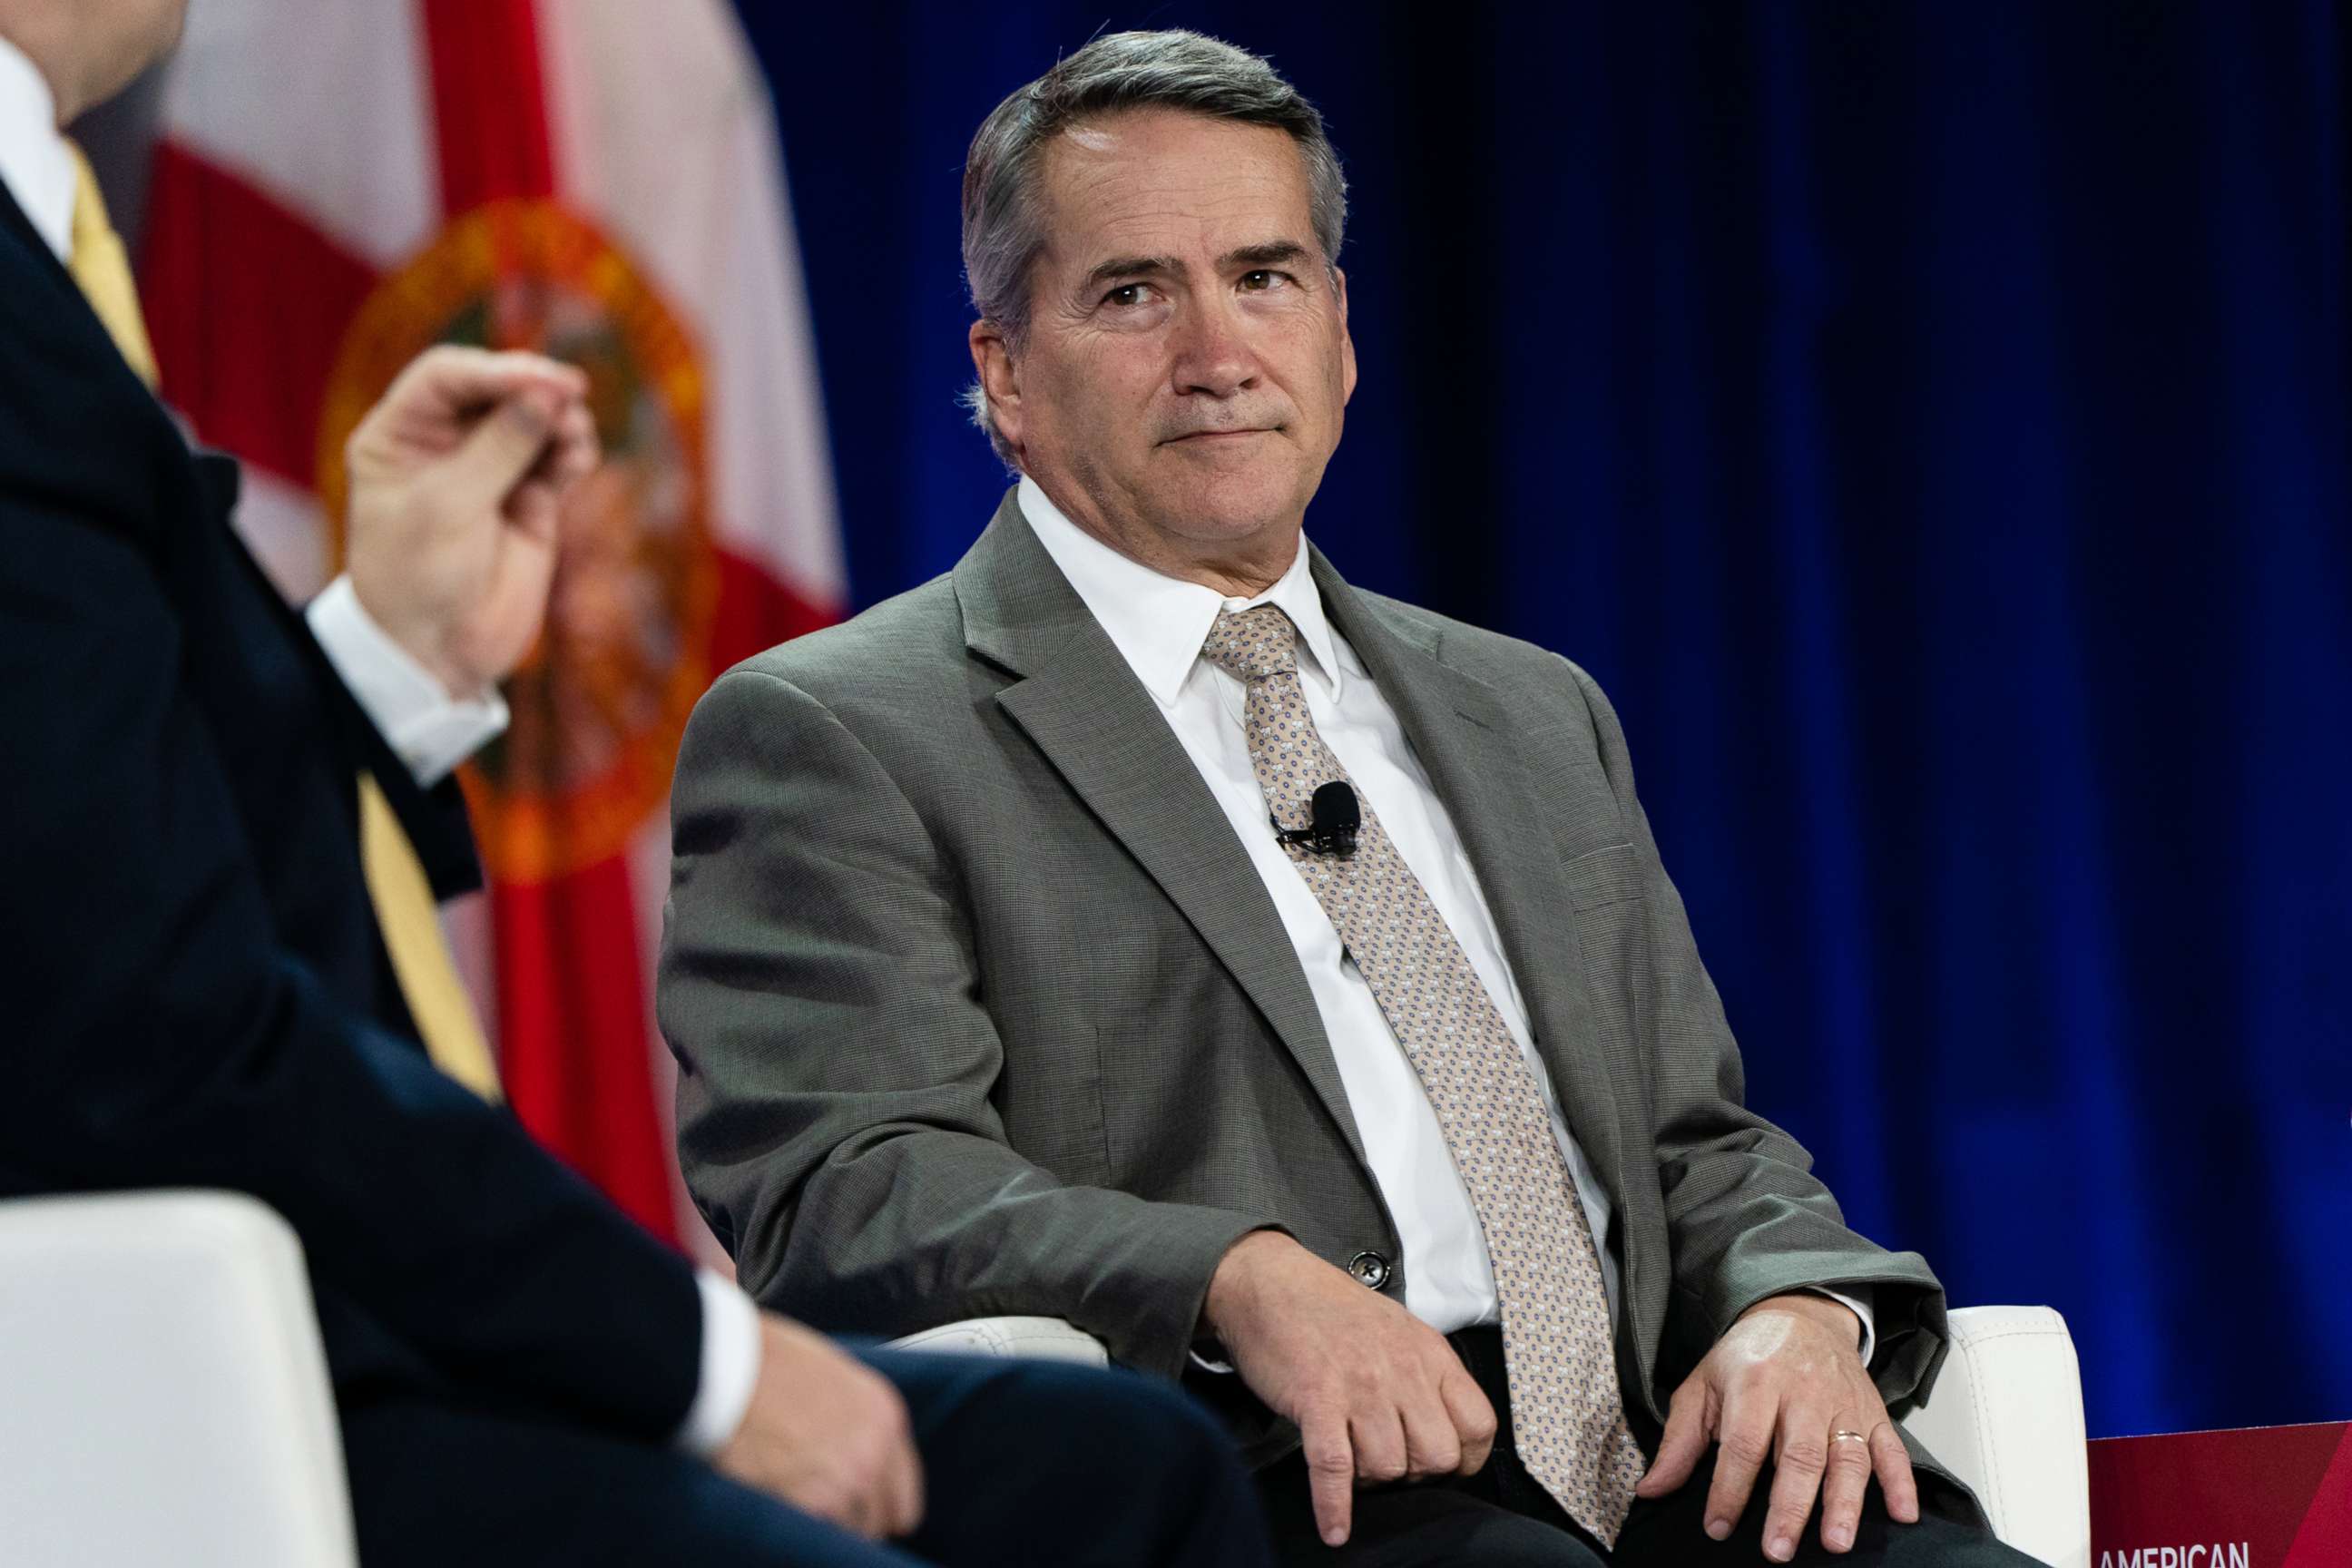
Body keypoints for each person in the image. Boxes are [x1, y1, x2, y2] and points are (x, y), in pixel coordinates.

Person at [660, 28, 2041, 1568]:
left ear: (1339, 335)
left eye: (1267, 277)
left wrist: (1799, 1302)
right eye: (1132, 293)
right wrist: (1232, 1274)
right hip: (1267, 1476)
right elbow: (844, 1188)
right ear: (1006, 374)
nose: (1218, 352)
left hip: (1666, 1461)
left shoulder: (1526, 707)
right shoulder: (840, 729)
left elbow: (1693, 1143)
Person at [0, 4, 1276, 1564]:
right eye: (1138, 292)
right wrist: (703, 1363)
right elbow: (148, 1026)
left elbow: (103, 863)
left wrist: (386, 670)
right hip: (185, 1380)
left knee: (1123, 1477)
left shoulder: (41, 260)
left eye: (1269, 279)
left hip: (267, 1319)